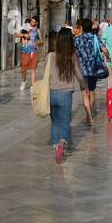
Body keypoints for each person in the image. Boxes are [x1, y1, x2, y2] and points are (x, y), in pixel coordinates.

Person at [46, 28, 80, 163]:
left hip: (52, 92)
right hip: (66, 94)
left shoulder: (50, 56)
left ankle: (56, 146)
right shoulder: (72, 56)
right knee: (65, 122)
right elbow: (79, 75)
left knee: (54, 122)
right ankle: (62, 143)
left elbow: (46, 75)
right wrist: (84, 85)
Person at [74, 18, 109, 126]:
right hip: (94, 69)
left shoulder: (77, 39)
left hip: (81, 70)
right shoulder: (95, 38)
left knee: (85, 93)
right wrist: (108, 58)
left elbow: (73, 53)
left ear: (82, 28)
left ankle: (89, 116)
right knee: (92, 92)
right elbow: (104, 50)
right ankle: (89, 116)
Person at [17, 17, 42, 89]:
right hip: (25, 51)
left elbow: (42, 41)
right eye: (31, 21)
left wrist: (37, 42)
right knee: (23, 69)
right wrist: (24, 35)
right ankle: (24, 81)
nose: (31, 22)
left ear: (36, 23)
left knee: (33, 69)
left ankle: (33, 85)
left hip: (34, 51)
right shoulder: (25, 28)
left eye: (33, 21)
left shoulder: (38, 30)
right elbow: (17, 35)